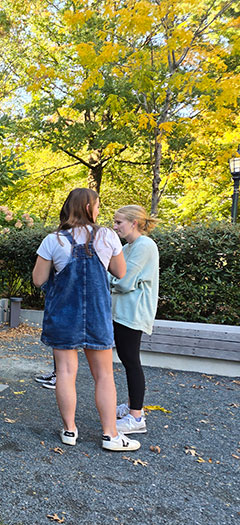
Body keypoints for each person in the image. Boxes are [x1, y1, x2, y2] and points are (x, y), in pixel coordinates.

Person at [32, 188, 140, 452]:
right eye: (98, 205)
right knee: (103, 374)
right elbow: (120, 272)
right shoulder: (107, 235)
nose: (100, 210)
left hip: (63, 314)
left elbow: (38, 280)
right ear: (90, 208)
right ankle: (110, 435)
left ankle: (70, 430)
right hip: (97, 313)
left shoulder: (53, 239)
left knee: (66, 373)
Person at [111, 205, 160, 435]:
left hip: (133, 313)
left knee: (131, 361)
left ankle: (136, 417)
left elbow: (123, 281)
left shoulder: (144, 245)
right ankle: (132, 407)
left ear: (134, 223)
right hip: (124, 311)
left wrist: (109, 281)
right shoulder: (130, 246)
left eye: (119, 222)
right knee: (128, 359)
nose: (115, 226)